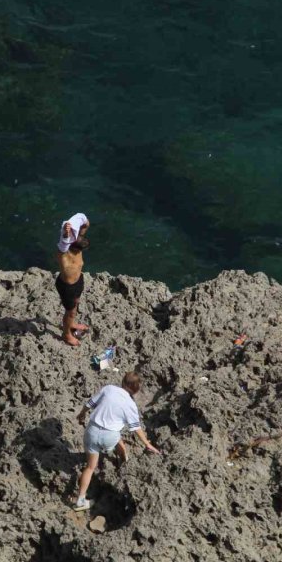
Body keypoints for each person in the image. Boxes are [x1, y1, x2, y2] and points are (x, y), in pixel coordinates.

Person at [73, 371, 160, 511]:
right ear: (136, 390)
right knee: (117, 438)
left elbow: (89, 403)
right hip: (109, 437)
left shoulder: (108, 389)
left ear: (123, 381)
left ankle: (80, 500)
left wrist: (81, 414)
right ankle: (124, 459)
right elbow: (136, 428)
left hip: (92, 431)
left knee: (90, 467)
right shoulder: (130, 405)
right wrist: (148, 444)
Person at [55, 212, 90, 346]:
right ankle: (66, 334)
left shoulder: (78, 247)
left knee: (75, 305)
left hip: (78, 281)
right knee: (70, 312)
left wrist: (83, 220)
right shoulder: (63, 254)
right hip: (67, 286)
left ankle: (72, 323)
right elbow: (63, 243)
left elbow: (85, 225)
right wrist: (65, 234)